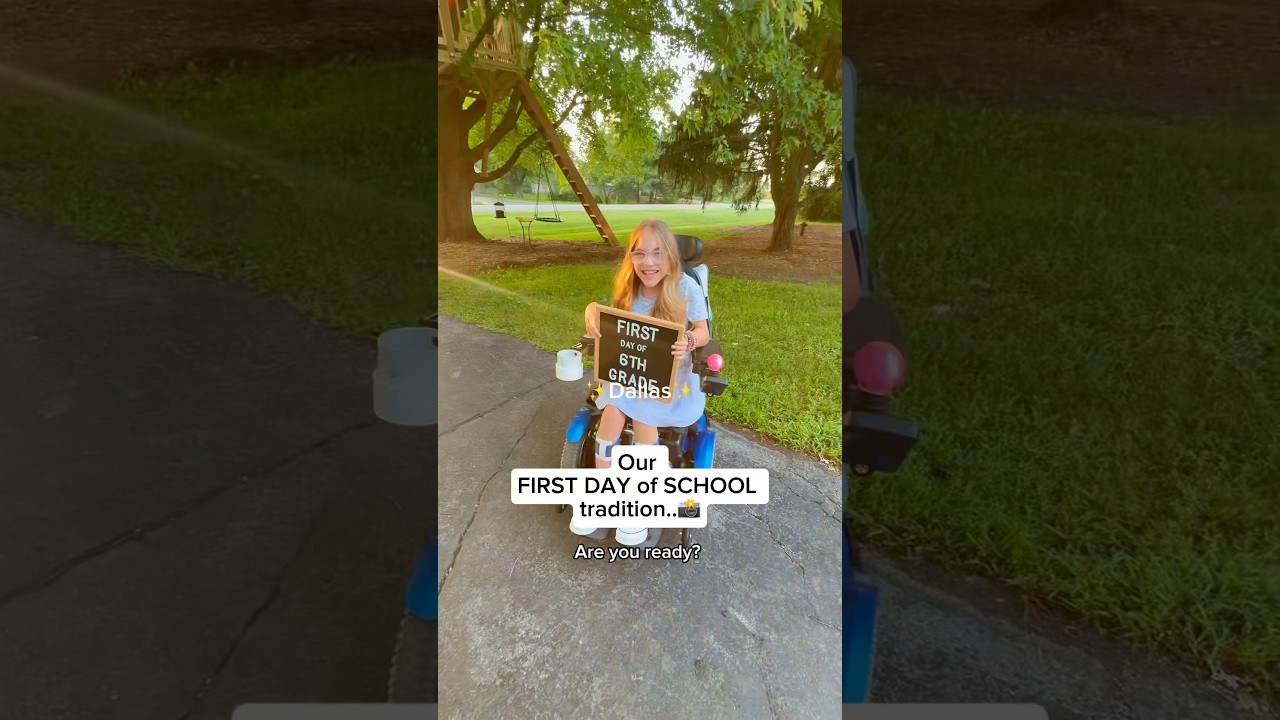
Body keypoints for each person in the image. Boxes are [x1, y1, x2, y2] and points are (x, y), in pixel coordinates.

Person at [577, 219, 710, 547]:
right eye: (639, 254)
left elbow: (704, 331)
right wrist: (592, 309)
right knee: (610, 416)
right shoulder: (628, 288)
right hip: (632, 374)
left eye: (657, 254)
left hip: (670, 378)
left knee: (643, 417)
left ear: (670, 257)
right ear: (630, 258)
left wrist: (691, 341)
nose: (648, 263)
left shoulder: (686, 288)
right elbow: (609, 317)